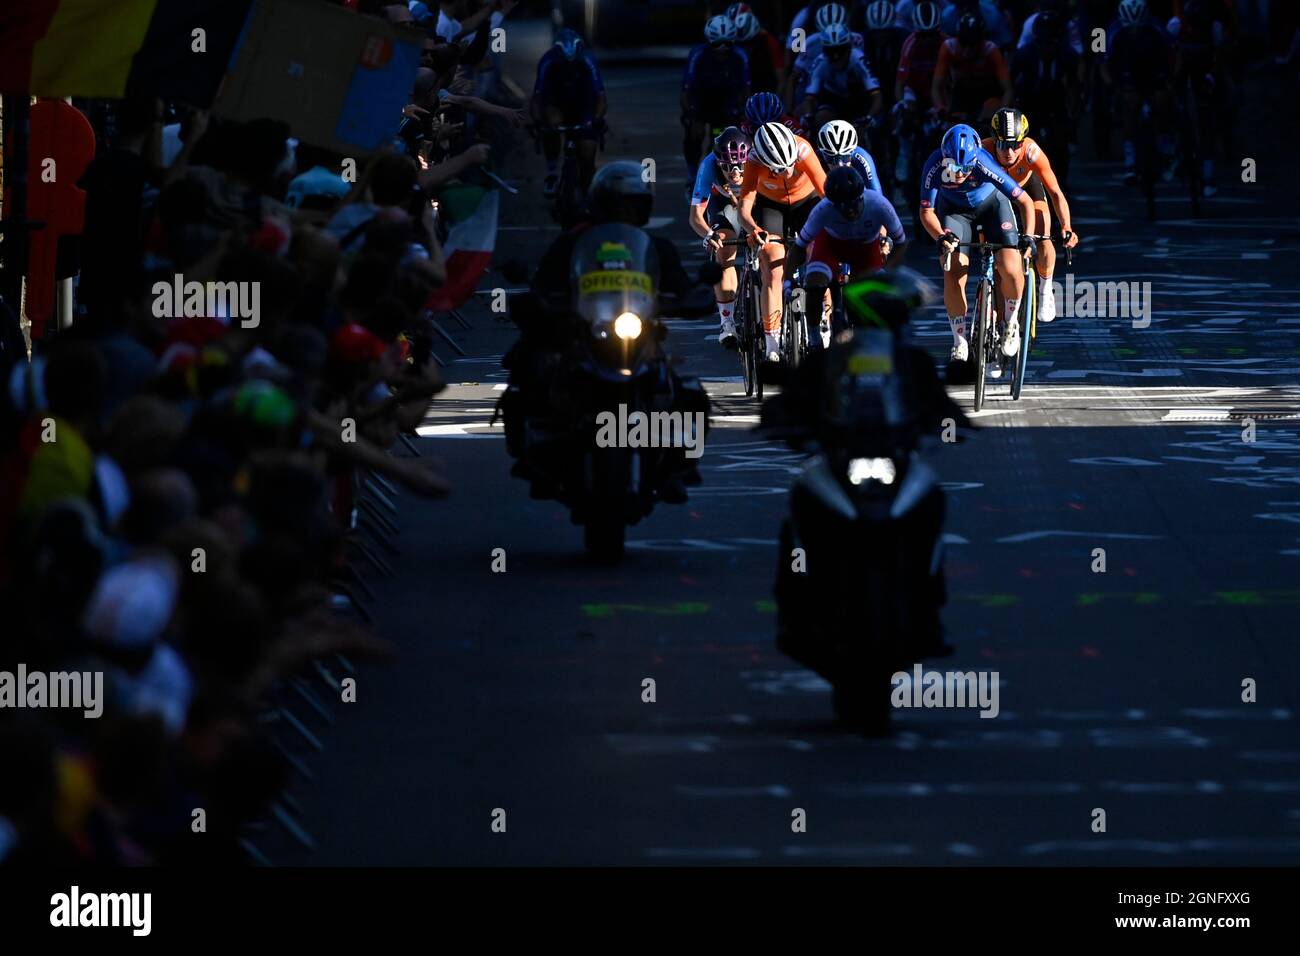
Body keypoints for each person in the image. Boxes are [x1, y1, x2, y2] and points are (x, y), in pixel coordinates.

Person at [917, 123, 1037, 364]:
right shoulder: (933, 164)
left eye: (965, 167)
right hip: (955, 211)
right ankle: (959, 341)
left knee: (1011, 267)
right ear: (945, 158)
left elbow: (1025, 202)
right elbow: (926, 212)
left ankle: (1011, 322)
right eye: (954, 166)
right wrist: (941, 236)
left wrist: (1029, 237)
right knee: (952, 267)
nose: (960, 173)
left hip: (992, 206)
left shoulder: (983, 162)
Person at [737, 122, 828, 361]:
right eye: (779, 169)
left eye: (790, 166)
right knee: (774, 264)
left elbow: (827, 195)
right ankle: (772, 341)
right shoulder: (754, 161)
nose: (787, 173)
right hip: (772, 207)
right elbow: (744, 210)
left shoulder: (803, 150)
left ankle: (825, 321)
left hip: (806, 203)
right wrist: (754, 230)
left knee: (819, 253)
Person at [982, 108, 1079, 324]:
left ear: (1023, 142)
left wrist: (1066, 225)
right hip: (996, 198)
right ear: (993, 140)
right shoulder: (982, 150)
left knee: (1042, 236)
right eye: (1003, 144)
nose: (1009, 151)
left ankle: (1045, 289)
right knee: (996, 255)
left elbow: (1055, 192)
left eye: (1015, 144)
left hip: (1027, 190)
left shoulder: (1031, 152)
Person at [795, 164, 907, 342]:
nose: (850, 210)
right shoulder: (823, 209)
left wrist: (886, 271)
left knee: (875, 295)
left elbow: (901, 243)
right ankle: (814, 337)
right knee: (815, 285)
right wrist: (787, 281)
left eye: (854, 203)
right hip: (831, 244)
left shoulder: (879, 204)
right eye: (842, 206)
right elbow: (800, 245)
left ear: (862, 196)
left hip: (865, 248)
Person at [1102, 0, 1177, 184]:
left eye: (1139, 31)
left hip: (1154, 72)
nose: (1135, 34)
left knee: (1162, 101)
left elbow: (1174, 54)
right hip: (1127, 73)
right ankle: (1130, 159)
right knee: (1130, 104)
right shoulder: (1111, 31)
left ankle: (1165, 147)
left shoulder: (1157, 28)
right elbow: (1103, 62)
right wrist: (1111, 84)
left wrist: (1172, 80)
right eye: (1131, 31)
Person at [690, 128, 751, 348]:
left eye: (740, 167)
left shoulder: (758, 158)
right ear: (718, 163)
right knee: (724, 250)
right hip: (723, 204)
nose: (734, 174)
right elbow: (695, 216)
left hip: (756, 199)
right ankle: (727, 323)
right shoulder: (708, 165)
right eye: (727, 167)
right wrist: (708, 234)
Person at [531, 29, 607, 198]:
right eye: (564, 64)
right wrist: (537, 121)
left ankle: (589, 191)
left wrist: (596, 120)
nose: (569, 67)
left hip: (584, 104)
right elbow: (537, 98)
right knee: (551, 124)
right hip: (556, 103)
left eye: (573, 64)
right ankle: (552, 172)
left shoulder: (588, 60)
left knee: (587, 153)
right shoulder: (548, 61)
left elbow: (601, 98)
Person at [681, 16, 752, 179]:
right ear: (709, 42)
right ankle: (691, 176)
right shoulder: (697, 54)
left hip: (727, 104)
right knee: (694, 135)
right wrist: (689, 115)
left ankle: (717, 174)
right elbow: (686, 89)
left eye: (728, 44)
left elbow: (746, 89)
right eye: (717, 44)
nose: (722, 48)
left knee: (722, 140)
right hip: (701, 103)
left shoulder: (740, 56)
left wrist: (745, 115)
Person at [800, 23, 885, 137]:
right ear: (824, 51)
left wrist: (870, 116)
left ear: (849, 48)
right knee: (820, 118)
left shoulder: (858, 59)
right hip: (832, 102)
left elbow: (876, 95)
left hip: (858, 103)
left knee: (861, 130)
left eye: (841, 50)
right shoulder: (820, 62)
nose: (836, 56)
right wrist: (808, 115)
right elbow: (809, 98)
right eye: (831, 51)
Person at [931, 12, 1013, 121]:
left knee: (990, 112)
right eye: (964, 43)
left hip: (989, 93)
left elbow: (1008, 90)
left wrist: (1002, 113)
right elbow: (936, 86)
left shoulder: (991, 50)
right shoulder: (948, 48)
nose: (967, 49)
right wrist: (940, 107)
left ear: (981, 41)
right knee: (953, 123)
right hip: (961, 93)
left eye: (973, 44)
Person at [730, 3, 786, 98]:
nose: (747, 47)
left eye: (750, 42)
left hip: (766, 90)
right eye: (744, 43)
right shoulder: (734, 44)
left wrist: (775, 103)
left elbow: (781, 80)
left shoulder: (770, 42)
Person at [816, 118, 884, 194]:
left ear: (851, 152)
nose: (839, 164)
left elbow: (876, 194)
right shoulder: (816, 157)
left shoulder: (861, 156)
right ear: (823, 154)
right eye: (831, 159)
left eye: (844, 157)